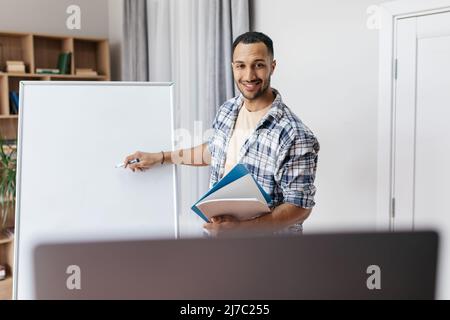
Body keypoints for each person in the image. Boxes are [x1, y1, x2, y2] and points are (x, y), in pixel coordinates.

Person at [123, 32, 319, 237]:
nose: (249, 75)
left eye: (259, 65)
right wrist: (161, 157)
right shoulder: (228, 109)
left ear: (272, 66)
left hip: (267, 254)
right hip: (222, 244)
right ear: (233, 66)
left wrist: (240, 230)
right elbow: (215, 151)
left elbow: (299, 207)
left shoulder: (294, 134)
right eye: (241, 65)